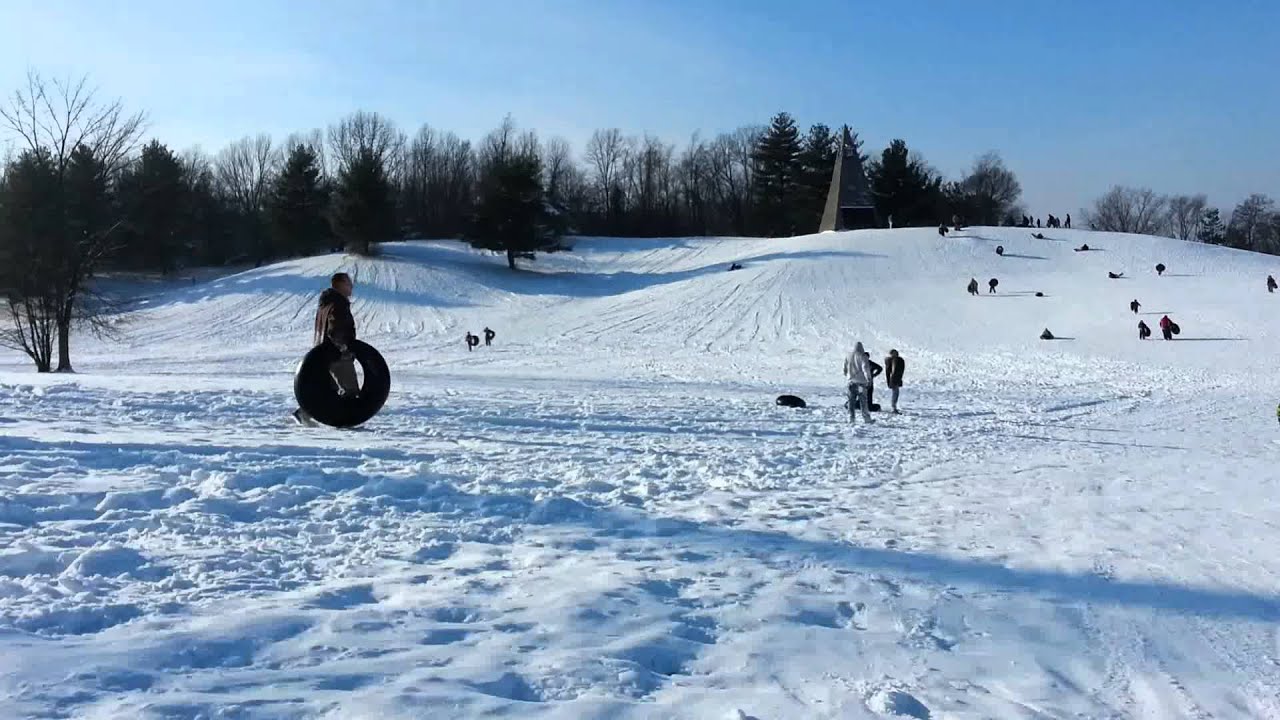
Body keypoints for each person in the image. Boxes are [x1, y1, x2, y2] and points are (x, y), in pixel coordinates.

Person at [294, 273, 359, 425]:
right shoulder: (338, 304)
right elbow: (336, 329)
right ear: (340, 284)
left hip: (322, 354)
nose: (351, 287)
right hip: (336, 354)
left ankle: (304, 413)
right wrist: (343, 348)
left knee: (327, 391)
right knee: (350, 390)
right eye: (349, 283)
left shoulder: (326, 304)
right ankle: (344, 421)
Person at [842, 342, 874, 424]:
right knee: (863, 401)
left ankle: (851, 418)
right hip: (861, 383)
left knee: (851, 401)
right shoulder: (863, 356)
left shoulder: (848, 356)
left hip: (851, 382)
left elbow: (845, 368)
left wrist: (847, 375)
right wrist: (869, 379)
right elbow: (865, 368)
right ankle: (867, 418)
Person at [884, 349, 905, 414]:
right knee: (895, 393)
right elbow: (891, 371)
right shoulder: (894, 360)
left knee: (895, 393)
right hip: (894, 379)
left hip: (895, 378)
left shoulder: (897, 360)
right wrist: (890, 381)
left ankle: (894, 406)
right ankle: (893, 407)